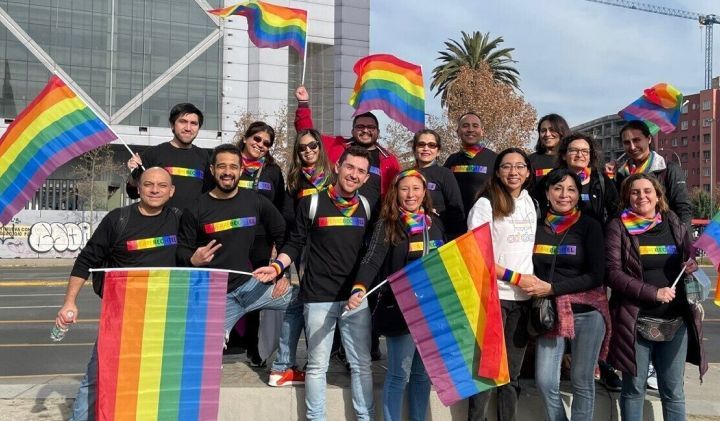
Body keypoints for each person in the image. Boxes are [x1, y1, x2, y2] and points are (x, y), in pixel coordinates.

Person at [254, 146, 375, 421]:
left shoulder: (367, 207)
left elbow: (375, 247)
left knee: (362, 366)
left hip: (355, 298)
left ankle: (366, 417)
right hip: (318, 297)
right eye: (350, 167)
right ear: (337, 167)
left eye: (360, 171)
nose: (354, 175)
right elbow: (294, 243)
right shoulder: (312, 203)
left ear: (366, 178)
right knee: (318, 366)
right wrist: (277, 267)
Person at [55, 167, 181, 421]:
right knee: (98, 377)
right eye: (148, 184)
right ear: (138, 188)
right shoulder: (118, 220)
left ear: (171, 191)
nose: (155, 190)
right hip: (122, 315)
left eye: (161, 185)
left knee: (156, 381)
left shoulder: (181, 219)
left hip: (163, 317)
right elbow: (86, 260)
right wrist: (70, 302)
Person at [176, 144, 297, 356]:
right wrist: (192, 259)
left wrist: (282, 271)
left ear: (241, 170)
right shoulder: (196, 208)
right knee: (202, 357)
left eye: (233, 166)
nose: (227, 172)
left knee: (304, 302)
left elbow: (286, 234)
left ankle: (283, 365)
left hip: (251, 287)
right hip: (215, 296)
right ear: (212, 170)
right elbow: (181, 250)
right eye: (221, 166)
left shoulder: (255, 201)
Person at [606, 173, 707, 420]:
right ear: (627, 197)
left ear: (658, 195)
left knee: (673, 391)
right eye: (635, 192)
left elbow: (687, 258)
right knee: (633, 389)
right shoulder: (618, 226)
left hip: (676, 322)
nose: (642, 196)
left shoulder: (672, 221)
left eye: (647, 191)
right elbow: (612, 274)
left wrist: (691, 264)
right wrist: (653, 293)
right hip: (635, 322)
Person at [355, 169, 445, 421]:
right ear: (396, 192)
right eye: (405, 188)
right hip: (402, 307)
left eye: (416, 188)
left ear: (424, 192)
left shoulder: (434, 223)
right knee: (398, 375)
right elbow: (372, 260)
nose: (410, 194)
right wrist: (359, 286)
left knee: (421, 374)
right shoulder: (388, 223)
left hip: (431, 308)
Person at [530, 168, 611, 421]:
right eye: (557, 188)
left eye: (571, 189)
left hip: (587, 314)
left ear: (579, 194)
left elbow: (597, 275)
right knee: (544, 382)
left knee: (582, 381)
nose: (564, 195)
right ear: (547, 192)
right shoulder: (536, 225)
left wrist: (553, 288)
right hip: (550, 314)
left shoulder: (590, 226)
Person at [466, 148, 538, 421]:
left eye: (520, 166)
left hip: (523, 300)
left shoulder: (531, 202)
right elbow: (477, 255)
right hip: (493, 297)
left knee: (513, 374)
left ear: (528, 172)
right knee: (487, 372)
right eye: (507, 166)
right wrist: (517, 277)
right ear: (497, 171)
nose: (513, 172)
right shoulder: (486, 204)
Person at [293, 85, 400, 213]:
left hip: (374, 223)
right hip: (336, 214)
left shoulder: (389, 160)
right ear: (352, 131)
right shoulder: (336, 146)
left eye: (370, 127)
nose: (365, 130)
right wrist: (303, 103)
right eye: (360, 126)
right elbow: (306, 134)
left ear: (378, 131)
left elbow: (396, 194)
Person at [233, 121, 286, 367]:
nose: (260, 145)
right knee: (226, 290)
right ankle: (227, 340)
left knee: (254, 291)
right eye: (256, 139)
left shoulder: (273, 171)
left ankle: (253, 347)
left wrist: (278, 245)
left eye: (266, 143)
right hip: (230, 238)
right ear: (245, 138)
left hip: (261, 241)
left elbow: (279, 210)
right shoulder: (230, 163)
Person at [127, 103, 213, 210]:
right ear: (172, 125)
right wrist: (134, 173)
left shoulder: (204, 156)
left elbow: (210, 193)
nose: (188, 128)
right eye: (183, 122)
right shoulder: (153, 153)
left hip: (192, 225)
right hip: (159, 223)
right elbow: (133, 193)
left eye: (194, 123)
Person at [615, 120, 692, 225]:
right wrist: (609, 178)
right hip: (630, 235)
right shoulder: (621, 174)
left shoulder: (669, 169)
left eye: (637, 140)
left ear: (649, 139)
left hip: (663, 236)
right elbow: (617, 208)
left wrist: (683, 238)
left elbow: (683, 210)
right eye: (627, 142)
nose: (632, 147)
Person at [412, 129, 465, 239]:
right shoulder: (406, 175)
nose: (426, 148)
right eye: (421, 144)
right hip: (410, 235)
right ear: (414, 149)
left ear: (438, 151)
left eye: (432, 145)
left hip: (439, 237)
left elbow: (456, 209)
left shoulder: (445, 174)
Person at [529, 114, 570, 203]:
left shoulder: (572, 159)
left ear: (562, 131)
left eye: (552, 130)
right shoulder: (531, 160)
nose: (547, 134)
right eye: (543, 131)